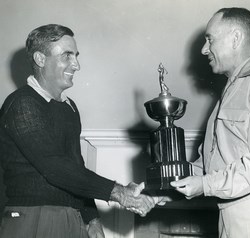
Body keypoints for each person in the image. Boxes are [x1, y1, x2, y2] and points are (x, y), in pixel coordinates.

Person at [0, 24, 155, 238]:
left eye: (76, 56)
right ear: (40, 59)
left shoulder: (69, 106)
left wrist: (91, 219)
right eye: (67, 55)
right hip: (34, 219)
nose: (76, 65)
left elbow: (76, 167)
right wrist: (119, 192)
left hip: (71, 218)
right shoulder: (22, 104)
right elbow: (55, 167)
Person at [170, 7, 250, 238]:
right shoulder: (230, 93)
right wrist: (167, 185)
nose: (203, 49)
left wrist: (206, 185)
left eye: (210, 39)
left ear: (236, 38)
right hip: (233, 216)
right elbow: (210, 166)